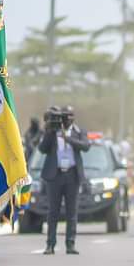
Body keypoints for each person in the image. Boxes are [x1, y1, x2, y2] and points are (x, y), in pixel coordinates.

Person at [38, 105, 91, 255]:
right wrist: (49, 131)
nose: (67, 118)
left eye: (70, 115)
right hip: (55, 175)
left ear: (74, 117)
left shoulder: (79, 131)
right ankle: (50, 244)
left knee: (71, 212)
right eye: (65, 115)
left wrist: (69, 139)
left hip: (72, 176)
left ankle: (70, 244)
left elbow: (86, 146)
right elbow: (42, 149)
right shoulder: (53, 131)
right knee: (53, 212)